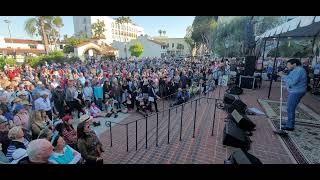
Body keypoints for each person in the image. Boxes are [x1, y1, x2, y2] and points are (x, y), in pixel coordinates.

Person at [278, 59, 307, 131]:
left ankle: (290, 126)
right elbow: (290, 79)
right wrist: (284, 76)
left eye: (288, 64)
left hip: (297, 91)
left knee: (290, 108)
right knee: (289, 107)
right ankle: (289, 122)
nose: (287, 66)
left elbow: (292, 82)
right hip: (294, 90)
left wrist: (283, 76)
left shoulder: (299, 70)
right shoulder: (296, 70)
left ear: (294, 64)